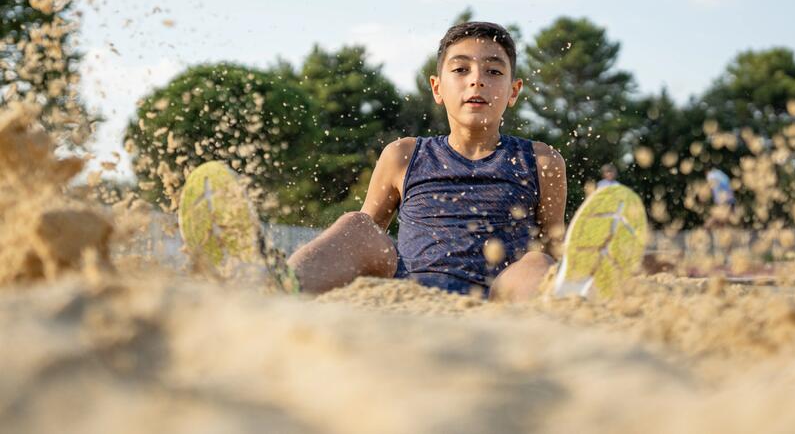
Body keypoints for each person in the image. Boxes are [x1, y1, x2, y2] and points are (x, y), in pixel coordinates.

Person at [179, 21, 647, 302]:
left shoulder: (542, 160)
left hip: (497, 290)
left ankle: (567, 299)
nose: (477, 81)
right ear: (438, 87)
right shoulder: (405, 153)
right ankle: (276, 282)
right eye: (461, 69)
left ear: (514, 91)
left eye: (493, 71)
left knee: (537, 260)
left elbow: (554, 241)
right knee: (358, 226)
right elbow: (369, 240)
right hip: (408, 284)